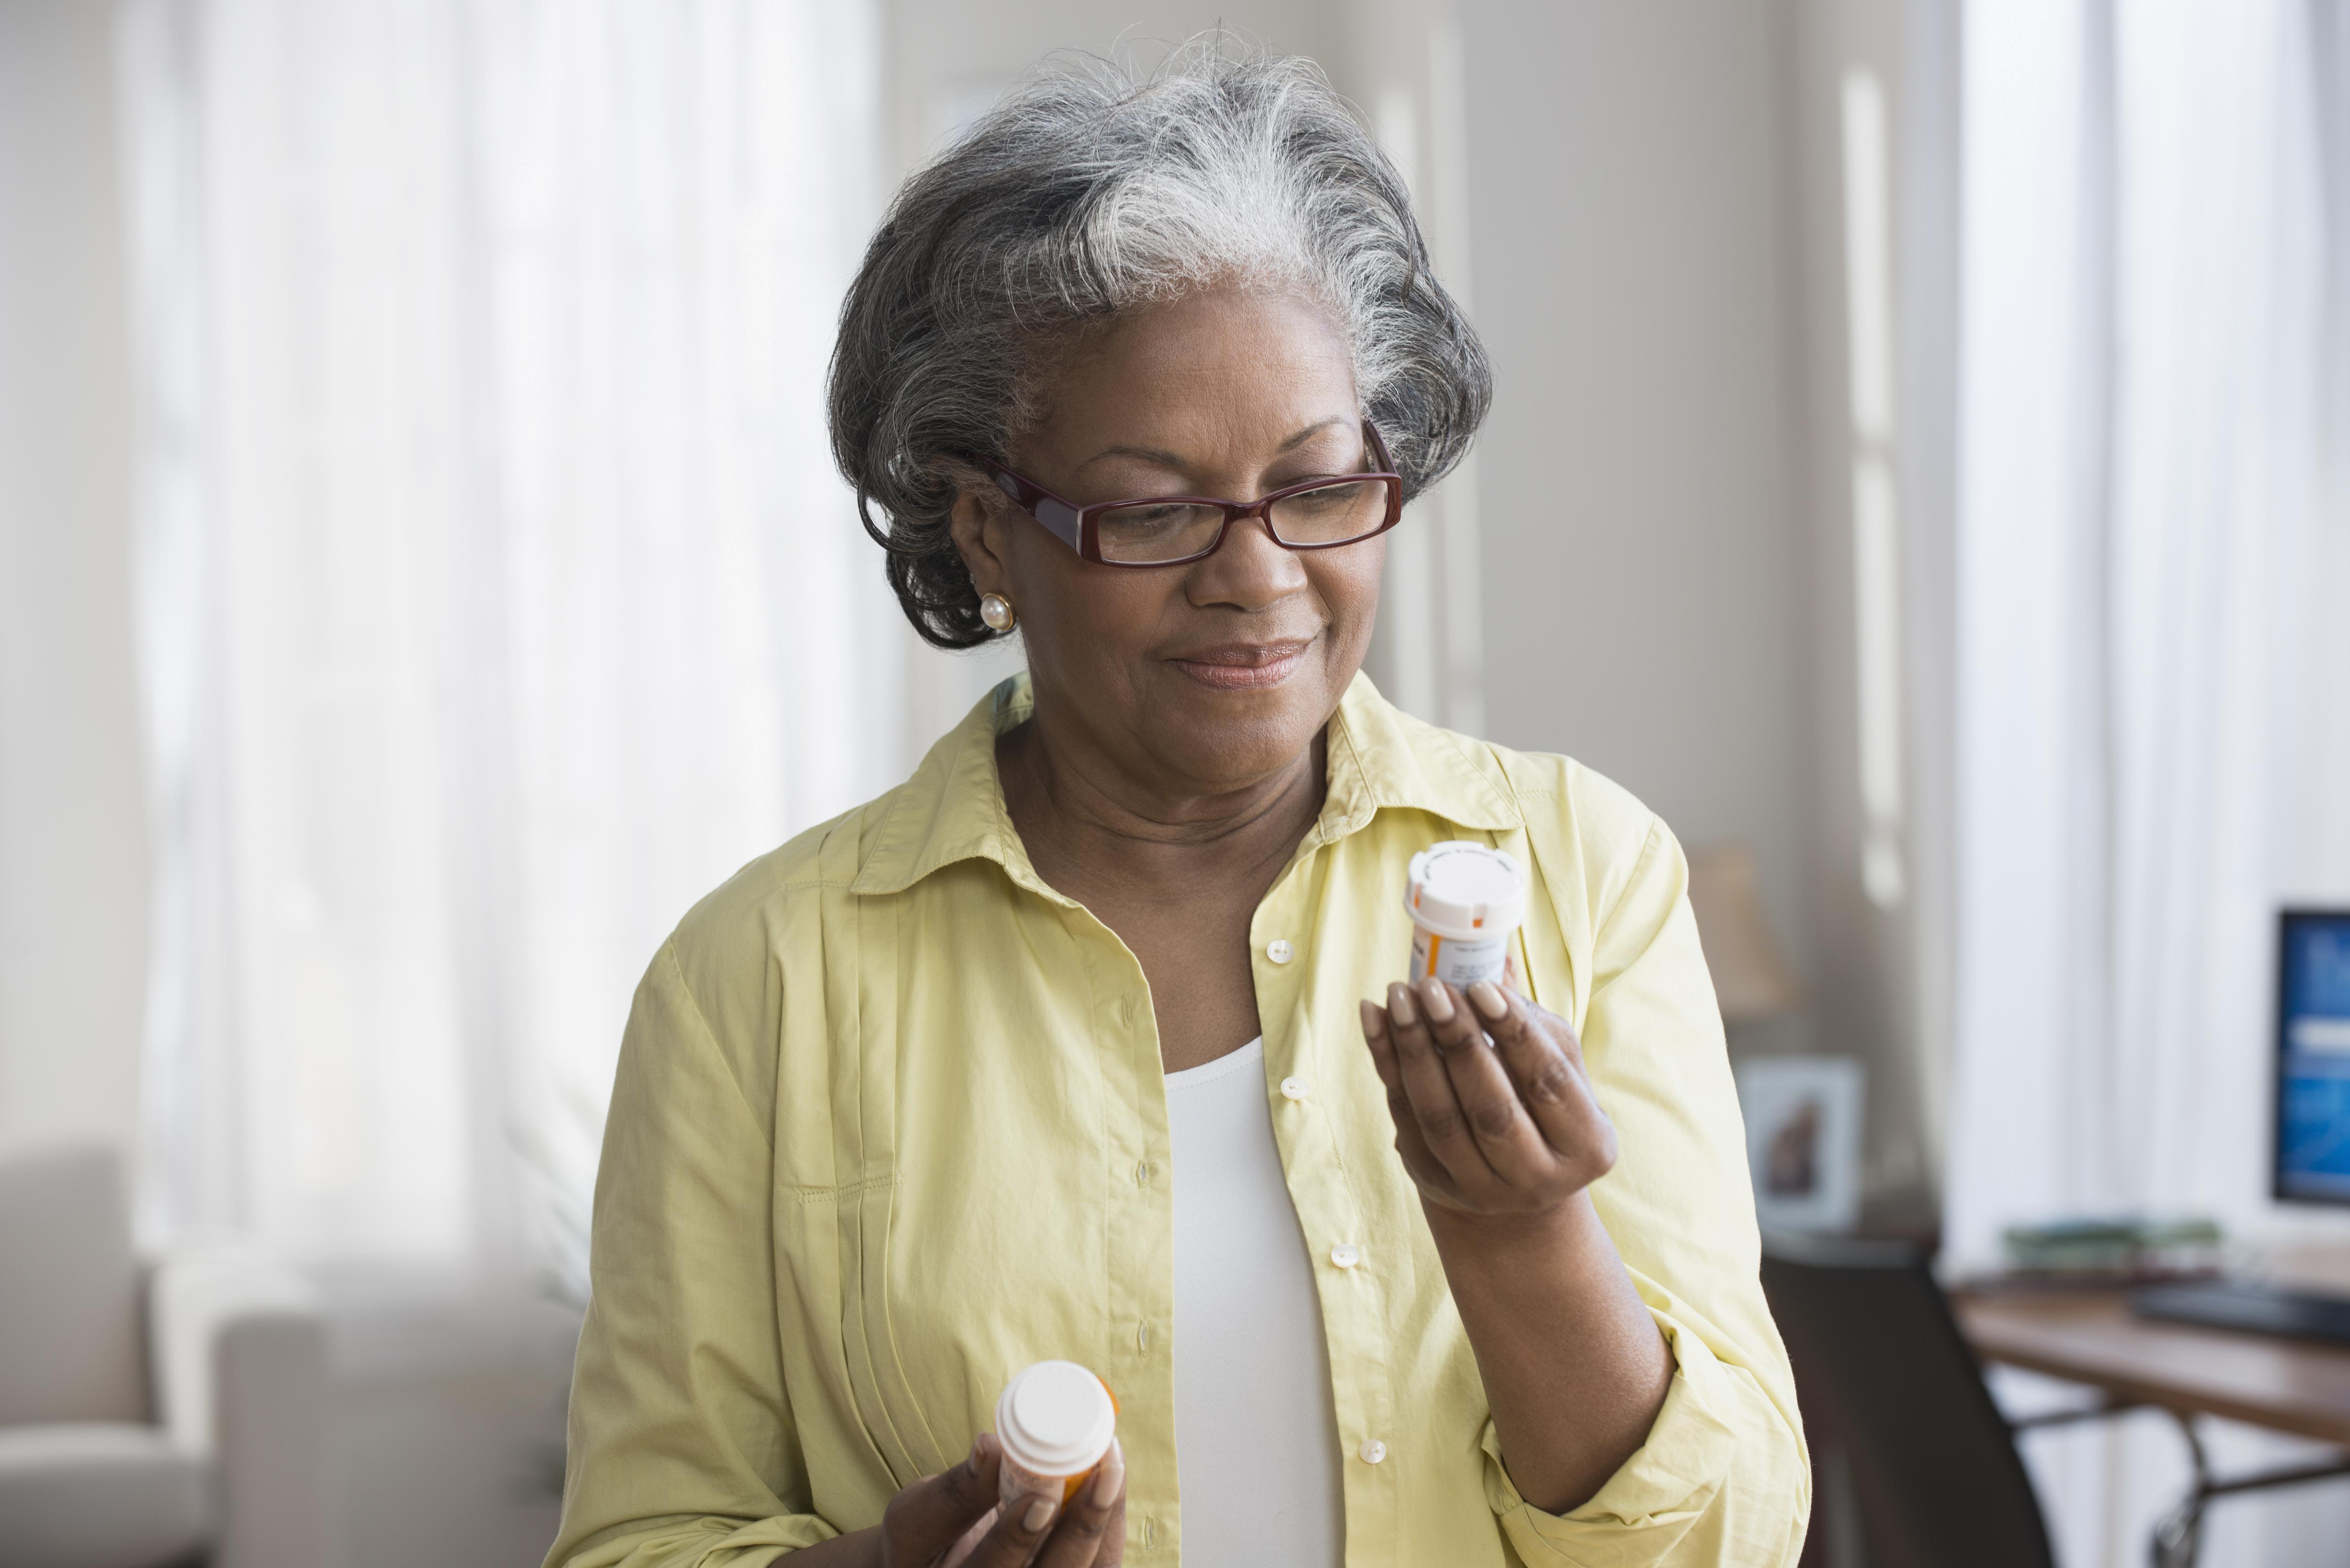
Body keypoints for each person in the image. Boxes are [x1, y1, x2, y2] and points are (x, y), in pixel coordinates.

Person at [546, 46, 1808, 1568]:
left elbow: (1728, 1542)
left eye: (1321, 487)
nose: (1259, 576)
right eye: (1151, 511)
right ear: (987, 535)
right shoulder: (761, 980)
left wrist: (1520, 1234)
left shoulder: (1580, 877)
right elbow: (637, 1543)